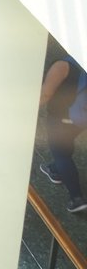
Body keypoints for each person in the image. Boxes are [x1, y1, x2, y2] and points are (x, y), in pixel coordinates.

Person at [40, 54, 87, 214]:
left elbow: (46, 94)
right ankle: (56, 169)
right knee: (65, 143)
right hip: (82, 118)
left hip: (61, 117)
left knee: (60, 153)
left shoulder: (63, 66)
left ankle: (76, 198)